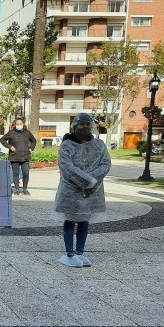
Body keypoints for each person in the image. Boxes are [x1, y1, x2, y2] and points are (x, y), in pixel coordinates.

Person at [52, 113, 111, 267]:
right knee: (70, 220)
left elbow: (105, 163)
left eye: (87, 124)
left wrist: (91, 179)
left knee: (85, 221)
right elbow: (67, 166)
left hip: (93, 190)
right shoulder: (67, 145)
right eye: (81, 124)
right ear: (74, 127)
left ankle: (80, 252)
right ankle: (69, 254)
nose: (84, 127)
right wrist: (86, 179)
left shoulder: (99, 145)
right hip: (71, 190)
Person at [0, 117, 37, 195]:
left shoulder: (27, 132)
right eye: (17, 124)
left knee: (26, 172)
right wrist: (10, 147)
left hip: (25, 156)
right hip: (14, 156)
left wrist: (31, 148)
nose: (19, 125)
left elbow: (34, 141)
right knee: (15, 173)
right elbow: (2, 139)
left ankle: (25, 189)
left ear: (23, 124)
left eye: (20, 124)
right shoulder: (11, 132)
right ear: (15, 125)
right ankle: (16, 189)